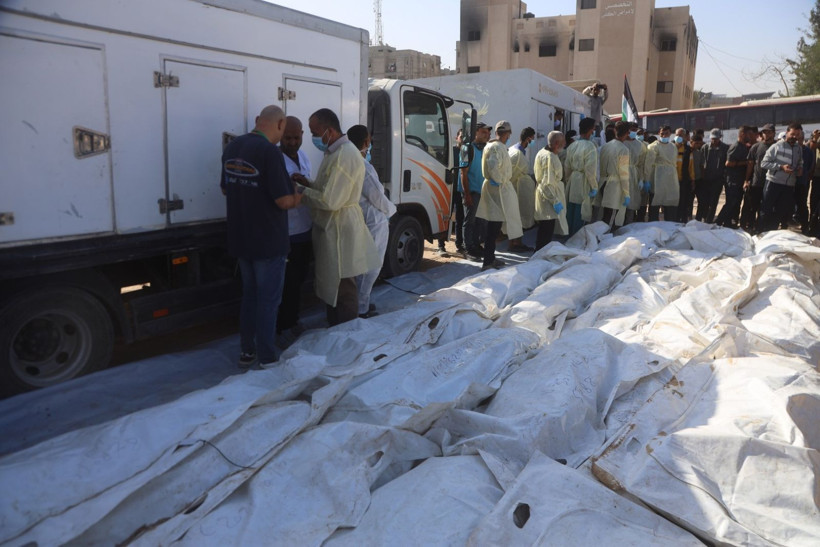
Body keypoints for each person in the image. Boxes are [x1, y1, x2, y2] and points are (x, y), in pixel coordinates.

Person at [221, 105, 302, 369]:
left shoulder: (233, 147)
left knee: (250, 297)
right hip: (268, 242)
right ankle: (267, 358)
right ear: (280, 124)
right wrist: (299, 194)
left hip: (241, 239)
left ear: (258, 121)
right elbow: (284, 201)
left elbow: (225, 188)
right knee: (269, 301)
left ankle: (247, 352)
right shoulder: (270, 152)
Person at [297, 108, 381, 326]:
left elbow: (330, 200)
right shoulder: (334, 153)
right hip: (334, 227)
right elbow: (328, 188)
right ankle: (336, 331)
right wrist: (309, 184)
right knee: (334, 287)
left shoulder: (345, 155)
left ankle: (346, 335)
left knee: (343, 288)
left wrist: (300, 192)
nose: (314, 137)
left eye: (315, 132)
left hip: (341, 229)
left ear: (329, 130)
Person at [347, 125, 396, 318]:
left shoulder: (350, 161)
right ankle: (360, 308)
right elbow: (377, 196)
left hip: (362, 219)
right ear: (366, 142)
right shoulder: (364, 167)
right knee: (371, 267)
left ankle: (361, 303)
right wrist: (392, 210)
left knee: (363, 266)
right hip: (373, 221)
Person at [277, 116, 313, 346]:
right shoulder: (275, 160)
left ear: (302, 135)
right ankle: (283, 327)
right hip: (286, 232)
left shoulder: (304, 156)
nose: (292, 142)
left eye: (296, 137)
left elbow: (308, 184)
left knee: (299, 280)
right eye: (287, 138)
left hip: (305, 230)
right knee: (286, 284)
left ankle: (294, 320)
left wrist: (305, 183)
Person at [477, 120, 523, 271]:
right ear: (507, 133)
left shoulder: (495, 146)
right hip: (498, 190)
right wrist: (498, 180)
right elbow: (493, 165)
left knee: (495, 227)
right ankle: (488, 262)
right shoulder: (496, 147)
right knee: (493, 227)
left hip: (497, 188)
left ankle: (491, 258)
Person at [758, 122, 804, 233]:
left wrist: (799, 168)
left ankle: (771, 233)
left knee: (780, 211)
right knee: (766, 209)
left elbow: (800, 162)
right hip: (773, 183)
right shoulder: (777, 146)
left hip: (788, 186)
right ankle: (759, 232)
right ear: (787, 132)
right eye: (792, 134)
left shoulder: (798, 148)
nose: (794, 137)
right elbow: (764, 163)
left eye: (797, 135)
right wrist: (781, 167)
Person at [460, 122, 491, 261]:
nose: (487, 135)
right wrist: (467, 194)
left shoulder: (485, 149)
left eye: (488, 133)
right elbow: (463, 173)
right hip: (471, 192)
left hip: (483, 192)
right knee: (470, 221)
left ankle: (477, 245)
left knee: (481, 221)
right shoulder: (467, 149)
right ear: (476, 132)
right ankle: (468, 248)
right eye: (484, 132)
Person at [533, 131, 568, 250]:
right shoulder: (549, 157)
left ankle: (540, 252)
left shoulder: (543, 152)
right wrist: (555, 200)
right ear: (557, 143)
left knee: (545, 227)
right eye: (563, 143)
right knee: (546, 229)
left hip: (545, 195)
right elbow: (547, 183)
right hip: (548, 196)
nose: (565, 145)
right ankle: (540, 254)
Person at [564, 117, 599, 235]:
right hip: (584, 181)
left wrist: (569, 180)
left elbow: (567, 166)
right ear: (590, 130)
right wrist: (594, 186)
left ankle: (568, 234)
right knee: (581, 210)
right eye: (593, 128)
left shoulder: (572, 145)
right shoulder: (590, 147)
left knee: (571, 208)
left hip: (573, 180)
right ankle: (577, 237)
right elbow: (590, 170)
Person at [716, 126, 755, 228]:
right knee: (731, 203)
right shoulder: (736, 146)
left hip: (739, 180)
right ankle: (718, 222)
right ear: (742, 134)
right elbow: (728, 163)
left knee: (736, 204)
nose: (750, 137)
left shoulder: (744, 146)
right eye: (748, 134)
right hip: (732, 180)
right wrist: (745, 162)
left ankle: (729, 224)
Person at [740, 123, 776, 232]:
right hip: (756, 183)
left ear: (773, 133)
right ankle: (750, 227)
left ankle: (762, 228)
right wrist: (746, 180)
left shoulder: (777, 147)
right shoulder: (755, 147)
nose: (766, 134)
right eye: (764, 132)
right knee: (752, 207)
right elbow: (750, 165)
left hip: (771, 183)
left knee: (765, 209)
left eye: (769, 132)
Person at [508, 127, 536, 251]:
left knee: (519, 217)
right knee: (515, 217)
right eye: (533, 138)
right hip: (515, 188)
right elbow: (512, 173)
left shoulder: (521, 151)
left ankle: (518, 242)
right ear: (528, 138)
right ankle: (514, 243)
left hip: (520, 188)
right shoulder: (517, 153)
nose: (533, 141)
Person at [438, 129, 466, 255]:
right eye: (461, 137)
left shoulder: (465, 152)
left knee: (460, 218)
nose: (463, 139)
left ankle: (459, 244)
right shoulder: (451, 151)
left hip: (461, 190)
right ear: (456, 138)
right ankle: (441, 246)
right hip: (448, 189)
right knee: (446, 217)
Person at [599, 121, 631, 229]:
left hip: (603, 182)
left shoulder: (605, 146)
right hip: (614, 186)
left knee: (604, 215)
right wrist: (626, 193)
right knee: (611, 216)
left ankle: (601, 236)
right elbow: (624, 174)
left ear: (614, 130)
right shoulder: (623, 149)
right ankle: (606, 239)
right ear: (627, 133)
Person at [644, 125, 679, 221]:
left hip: (670, 180)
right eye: (662, 133)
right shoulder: (653, 146)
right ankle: (653, 226)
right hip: (656, 179)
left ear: (670, 134)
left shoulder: (673, 147)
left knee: (670, 205)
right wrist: (646, 179)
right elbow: (648, 164)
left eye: (666, 133)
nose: (664, 135)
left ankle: (669, 225)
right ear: (659, 133)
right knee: (654, 205)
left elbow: (673, 163)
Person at [697, 128, 729, 223]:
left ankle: (709, 220)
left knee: (714, 202)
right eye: (712, 138)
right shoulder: (705, 147)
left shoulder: (725, 148)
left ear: (720, 138)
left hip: (718, 179)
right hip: (706, 179)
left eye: (716, 138)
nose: (714, 140)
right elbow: (701, 164)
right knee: (704, 201)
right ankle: (704, 218)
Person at [623, 122, 647, 225]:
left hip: (634, 175)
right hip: (622, 174)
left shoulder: (639, 145)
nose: (633, 132)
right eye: (631, 129)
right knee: (621, 202)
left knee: (632, 202)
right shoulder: (622, 143)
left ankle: (629, 225)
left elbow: (641, 164)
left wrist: (641, 178)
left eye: (635, 130)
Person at [674, 128, 695, 223]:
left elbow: (691, 167)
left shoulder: (687, 150)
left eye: (681, 135)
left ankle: (683, 220)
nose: (679, 137)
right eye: (677, 135)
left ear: (685, 137)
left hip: (684, 180)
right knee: (674, 202)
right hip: (672, 180)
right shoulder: (670, 147)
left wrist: (692, 180)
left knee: (684, 202)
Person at [689, 133, 705, 222]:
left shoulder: (699, 153)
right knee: (689, 201)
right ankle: (689, 218)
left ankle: (698, 219)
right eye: (696, 143)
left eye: (700, 143)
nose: (698, 145)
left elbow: (701, 166)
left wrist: (702, 178)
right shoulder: (686, 152)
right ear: (691, 142)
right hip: (689, 180)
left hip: (698, 180)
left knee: (701, 201)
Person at [808, 130, 820, 236]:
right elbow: (811, 148)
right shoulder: (818, 137)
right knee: (814, 203)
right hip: (818, 176)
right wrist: (815, 138)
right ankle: (812, 226)